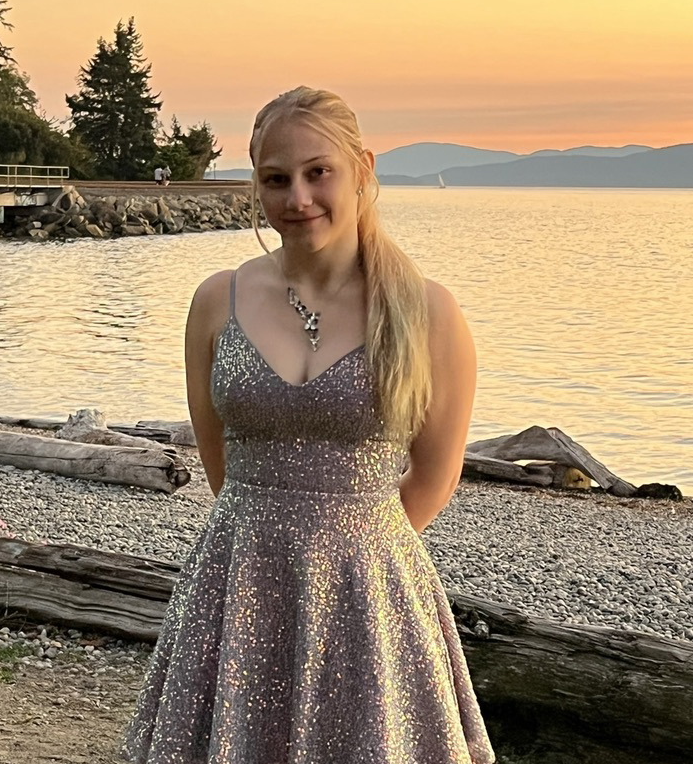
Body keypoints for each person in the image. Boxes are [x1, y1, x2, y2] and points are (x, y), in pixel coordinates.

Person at [121, 86, 495, 764]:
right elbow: (219, 466)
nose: (298, 198)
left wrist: (345, 549)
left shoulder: (426, 312)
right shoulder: (215, 302)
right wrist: (275, 543)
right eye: (276, 179)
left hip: (370, 590)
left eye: (317, 172)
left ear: (362, 170)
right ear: (256, 186)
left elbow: (435, 478)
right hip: (237, 583)